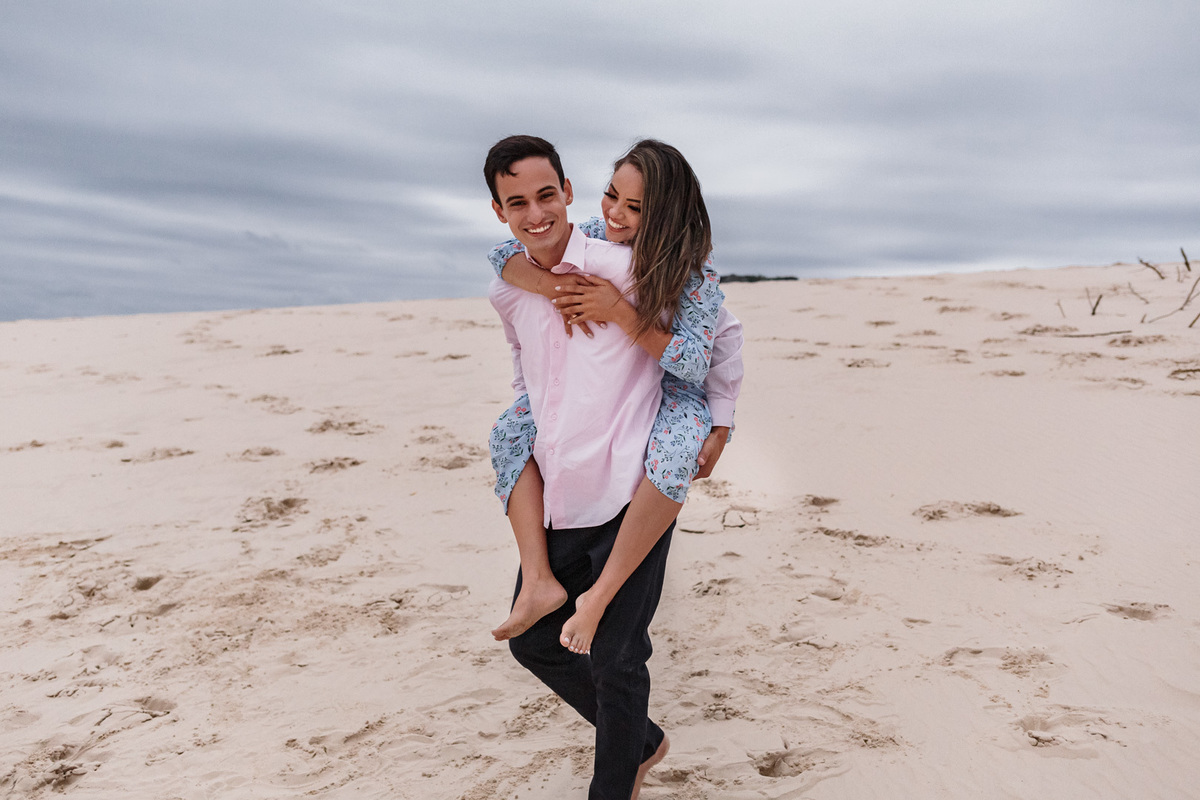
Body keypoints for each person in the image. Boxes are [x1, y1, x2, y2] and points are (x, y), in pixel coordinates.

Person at [485, 135, 733, 800]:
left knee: (618, 656)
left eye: (637, 207)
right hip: (573, 448)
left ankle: (615, 778)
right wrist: (553, 284)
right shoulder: (590, 239)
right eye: (611, 197)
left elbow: (706, 356)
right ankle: (638, 740)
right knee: (508, 434)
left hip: (669, 403)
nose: (618, 215)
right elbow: (505, 256)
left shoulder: (688, 271)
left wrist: (722, 417)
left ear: (668, 213)